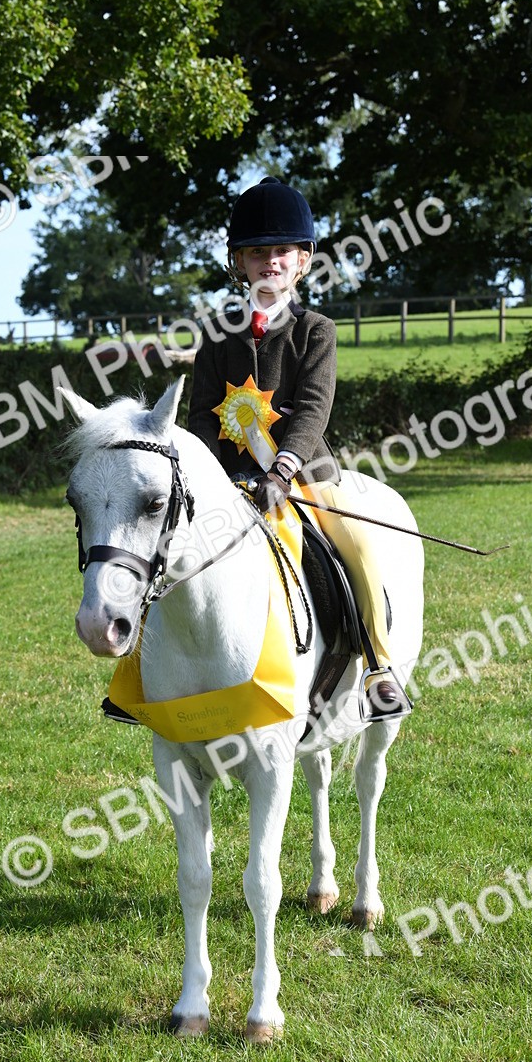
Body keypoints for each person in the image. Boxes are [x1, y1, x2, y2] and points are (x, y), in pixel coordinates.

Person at [187, 176, 409, 718]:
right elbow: (197, 418)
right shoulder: (217, 338)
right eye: (257, 252)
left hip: (305, 476)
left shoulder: (317, 331)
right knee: (165, 554)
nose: (270, 262)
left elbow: (312, 409)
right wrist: (210, 483)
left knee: (357, 549)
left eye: (281, 251)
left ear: (303, 261)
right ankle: (139, 676)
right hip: (228, 483)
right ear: (239, 262)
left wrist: (281, 470)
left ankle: (378, 667)